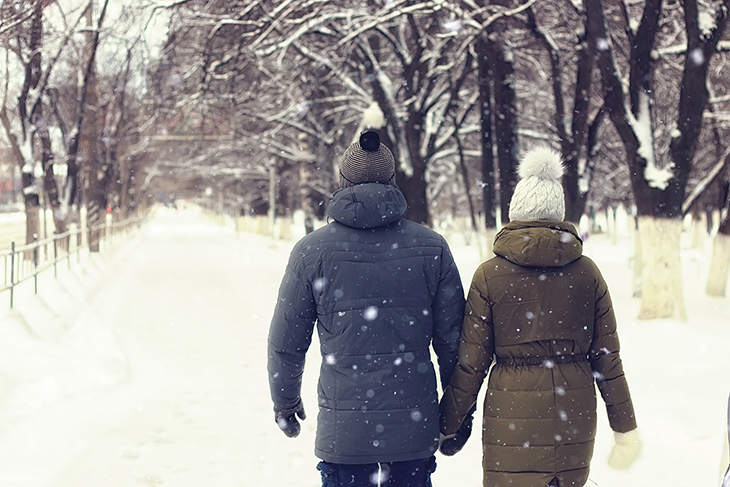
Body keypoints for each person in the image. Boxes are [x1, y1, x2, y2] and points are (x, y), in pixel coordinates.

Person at [268, 130, 466, 487]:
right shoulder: (431, 248)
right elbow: (453, 344)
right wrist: (456, 417)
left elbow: (286, 342)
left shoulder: (312, 251)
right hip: (412, 432)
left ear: (342, 182)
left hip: (346, 434)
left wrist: (284, 403)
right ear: (393, 182)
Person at [438, 146, 641, 487]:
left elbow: (471, 364)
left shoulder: (489, 276)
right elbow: (607, 359)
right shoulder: (587, 274)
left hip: (512, 418)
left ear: (515, 213)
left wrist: (448, 424)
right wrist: (625, 429)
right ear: (559, 214)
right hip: (573, 413)